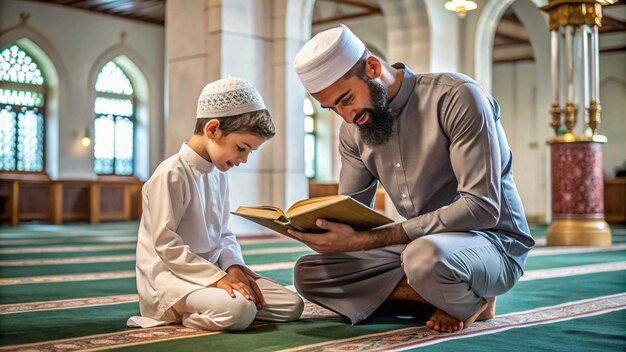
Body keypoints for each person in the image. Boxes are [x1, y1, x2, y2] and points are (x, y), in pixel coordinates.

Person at [290, 25, 534, 333]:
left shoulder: (456, 97)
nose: (346, 116)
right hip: (420, 246)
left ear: (373, 67)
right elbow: (351, 211)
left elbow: (481, 208)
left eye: (347, 99)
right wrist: (321, 229)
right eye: (332, 108)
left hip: (492, 242)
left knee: (423, 259)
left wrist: (375, 239)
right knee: (310, 274)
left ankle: (467, 298)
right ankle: (445, 296)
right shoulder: (353, 131)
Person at [127, 77, 304, 331]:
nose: (243, 159)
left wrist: (233, 267)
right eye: (241, 148)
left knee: (291, 305)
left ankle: (216, 308)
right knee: (241, 308)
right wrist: (217, 278)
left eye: (250, 152)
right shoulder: (171, 174)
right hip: (173, 281)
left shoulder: (218, 174)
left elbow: (224, 233)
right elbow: (166, 245)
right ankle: (186, 315)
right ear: (212, 129)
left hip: (215, 276)